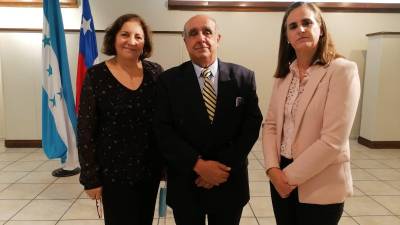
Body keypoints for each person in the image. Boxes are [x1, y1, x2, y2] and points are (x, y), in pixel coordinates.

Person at [154, 14, 263, 225]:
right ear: (185, 41)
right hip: (187, 181)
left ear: (218, 38)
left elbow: (251, 127)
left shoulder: (243, 78)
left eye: (207, 32)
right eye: (193, 33)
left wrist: (220, 167)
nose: (201, 38)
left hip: (229, 180)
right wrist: (199, 165)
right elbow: (163, 130)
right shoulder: (168, 81)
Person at [262, 2, 361, 225]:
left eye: (307, 22)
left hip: (320, 180)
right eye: (293, 26)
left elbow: (333, 141)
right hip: (280, 175)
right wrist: (272, 169)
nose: (301, 29)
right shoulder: (283, 76)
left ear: (321, 28)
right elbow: (270, 125)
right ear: (287, 36)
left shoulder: (342, 70)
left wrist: (286, 178)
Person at [77, 14, 163, 225]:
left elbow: (163, 122)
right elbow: (85, 130)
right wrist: (90, 178)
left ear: (145, 43)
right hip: (112, 173)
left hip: (148, 170)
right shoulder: (96, 76)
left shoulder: (156, 72)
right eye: (125, 34)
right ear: (114, 38)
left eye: (138, 36)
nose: (132, 41)